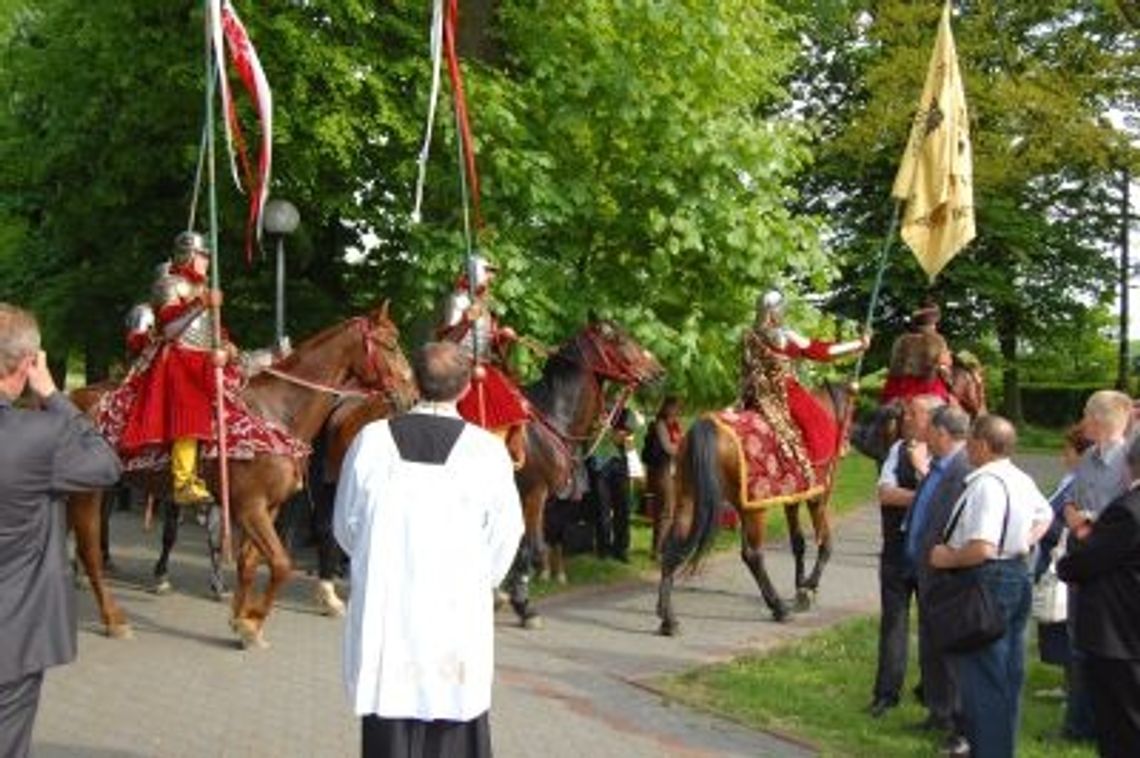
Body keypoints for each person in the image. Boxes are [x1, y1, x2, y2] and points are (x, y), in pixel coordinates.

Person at [333, 341, 523, 758]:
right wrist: (476, 581)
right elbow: (507, 536)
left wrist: (383, 562)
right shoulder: (487, 451)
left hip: (389, 618)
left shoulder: (372, 442)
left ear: (414, 382)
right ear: (465, 389)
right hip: (455, 619)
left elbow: (346, 526)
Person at [0, 303, 122, 758]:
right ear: (28, 364)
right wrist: (54, 395)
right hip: (11, 637)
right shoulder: (38, 437)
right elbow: (106, 464)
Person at [930, 414, 1053, 758]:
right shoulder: (1021, 478)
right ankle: (1001, 747)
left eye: (970, 441)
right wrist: (1022, 542)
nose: (967, 447)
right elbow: (1045, 515)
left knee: (983, 677)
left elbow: (980, 547)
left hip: (988, 580)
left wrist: (946, 558)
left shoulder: (986, 484)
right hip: (1017, 574)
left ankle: (988, 750)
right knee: (1008, 674)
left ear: (983, 445)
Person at [121, 231, 232, 505]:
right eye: (203, 255)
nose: (207, 261)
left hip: (206, 362)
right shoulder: (171, 284)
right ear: (189, 255)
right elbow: (170, 329)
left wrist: (227, 349)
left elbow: (215, 331)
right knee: (190, 413)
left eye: (207, 255)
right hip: (179, 361)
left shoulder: (205, 289)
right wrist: (201, 303)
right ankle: (183, 481)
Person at [1057, 433, 1140, 758]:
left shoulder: (1127, 512)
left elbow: (1083, 562)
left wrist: (1079, 536)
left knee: (1121, 727)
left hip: (1120, 633)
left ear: (1127, 466)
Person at [740, 289, 869, 486]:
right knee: (820, 424)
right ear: (775, 311)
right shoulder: (785, 335)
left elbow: (746, 370)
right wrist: (858, 344)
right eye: (781, 309)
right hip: (785, 393)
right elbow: (823, 352)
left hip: (753, 395)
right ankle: (807, 474)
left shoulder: (748, 336)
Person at [906, 404, 972, 753]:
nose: (924, 435)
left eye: (930, 429)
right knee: (931, 648)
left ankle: (956, 720)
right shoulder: (937, 466)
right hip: (926, 570)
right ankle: (938, 711)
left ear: (943, 434)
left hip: (948, 574)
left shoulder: (964, 470)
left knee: (949, 652)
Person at [868, 394, 939, 719]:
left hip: (931, 556)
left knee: (932, 625)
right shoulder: (898, 449)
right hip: (896, 551)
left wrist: (920, 474)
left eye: (915, 413)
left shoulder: (947, 457)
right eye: (908, 412)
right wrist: (921, 496)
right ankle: (886, 693)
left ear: (933, 421)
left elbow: (945, 501)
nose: (906, 417)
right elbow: (884, 493)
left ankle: (931, 691)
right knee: (893, 623)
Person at [437, 254, 529, 466]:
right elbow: (446, 342)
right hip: (459, 365)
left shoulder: (484, 305)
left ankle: (509, 454)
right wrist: (465, 322)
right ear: (475, 272)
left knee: (518, 404)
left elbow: (488, 345)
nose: (491, 278)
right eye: (487, 272)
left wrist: (502, 337)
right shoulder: (458, 300)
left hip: (484, 365)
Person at [1033, 426, 1092, 672]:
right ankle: (1068, 683)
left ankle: (1072, 685)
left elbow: (1069, 526)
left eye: (1067, 450)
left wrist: (1042, 526)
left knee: (1067, 621)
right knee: (1058, 622)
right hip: (1051, 557)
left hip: (1063, 557)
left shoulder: (1081, 483)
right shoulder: (1069, 479)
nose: (1063, 456)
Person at [881, 302, 953, 406]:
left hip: (898, 391)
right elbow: (944, 369)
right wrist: (949, 380)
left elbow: (893, 368)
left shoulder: (901, 340)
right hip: (929, 391)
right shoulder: (937, 340)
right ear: (932, 324)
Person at [589, 408, 636, 563]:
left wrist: (605, 430)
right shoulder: (594, 410)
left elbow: (624, 439)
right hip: (600, 467)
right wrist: (605, 431)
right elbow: (591, 437)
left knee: (623, 509)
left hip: (620, 465)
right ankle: (604, 549)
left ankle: (621, 549)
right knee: (602, 510)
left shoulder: (627, 413)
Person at [643, 395, 682, 559]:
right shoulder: (660, 424)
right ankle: (659, 550)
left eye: (679, 407)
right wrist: (683, 448)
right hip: (662, 471)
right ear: (666, 407)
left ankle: (658, 548)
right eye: (674, 406)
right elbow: (668, 448)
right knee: (667, 511)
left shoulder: (675, 425)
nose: (677, 410)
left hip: (671, 471)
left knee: (663, 511)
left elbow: (676, 446)